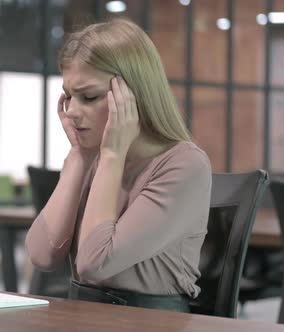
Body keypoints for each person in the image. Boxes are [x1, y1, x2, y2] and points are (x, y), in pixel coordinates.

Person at [25, 18, 212, 313]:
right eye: (69, 96)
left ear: (133, 96)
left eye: (89, 97)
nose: (72, 111)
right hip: (85, 317)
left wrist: (112, 156)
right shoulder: (91, 156)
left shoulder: (185, 165)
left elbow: (93, 263)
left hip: (151, 323)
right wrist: (79, 157)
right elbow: (42, 255)